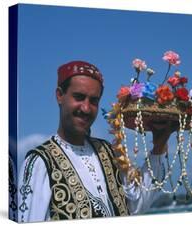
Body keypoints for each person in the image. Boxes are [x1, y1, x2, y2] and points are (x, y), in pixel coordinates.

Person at [18, 60, 176, 222]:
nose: (86, 108)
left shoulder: (109, 151)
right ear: (59, 95)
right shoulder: (40, 162)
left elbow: (136, 205)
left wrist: (159, 145)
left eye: (93, 101)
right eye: (79, 97)